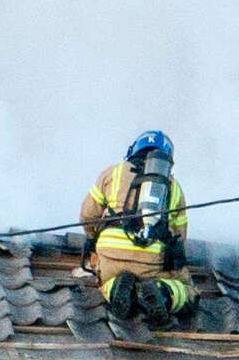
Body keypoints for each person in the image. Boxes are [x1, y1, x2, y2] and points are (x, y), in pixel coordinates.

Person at [79, 130, 195, 321]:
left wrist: (92, 240)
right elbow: (180, 239)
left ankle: (115, 287)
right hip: (151, 260)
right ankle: (162, 293)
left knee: (105, 281)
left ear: (134, 149)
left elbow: (87, 215)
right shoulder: (174, 187)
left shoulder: (113, 173)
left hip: (111, 255)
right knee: (188, 291)